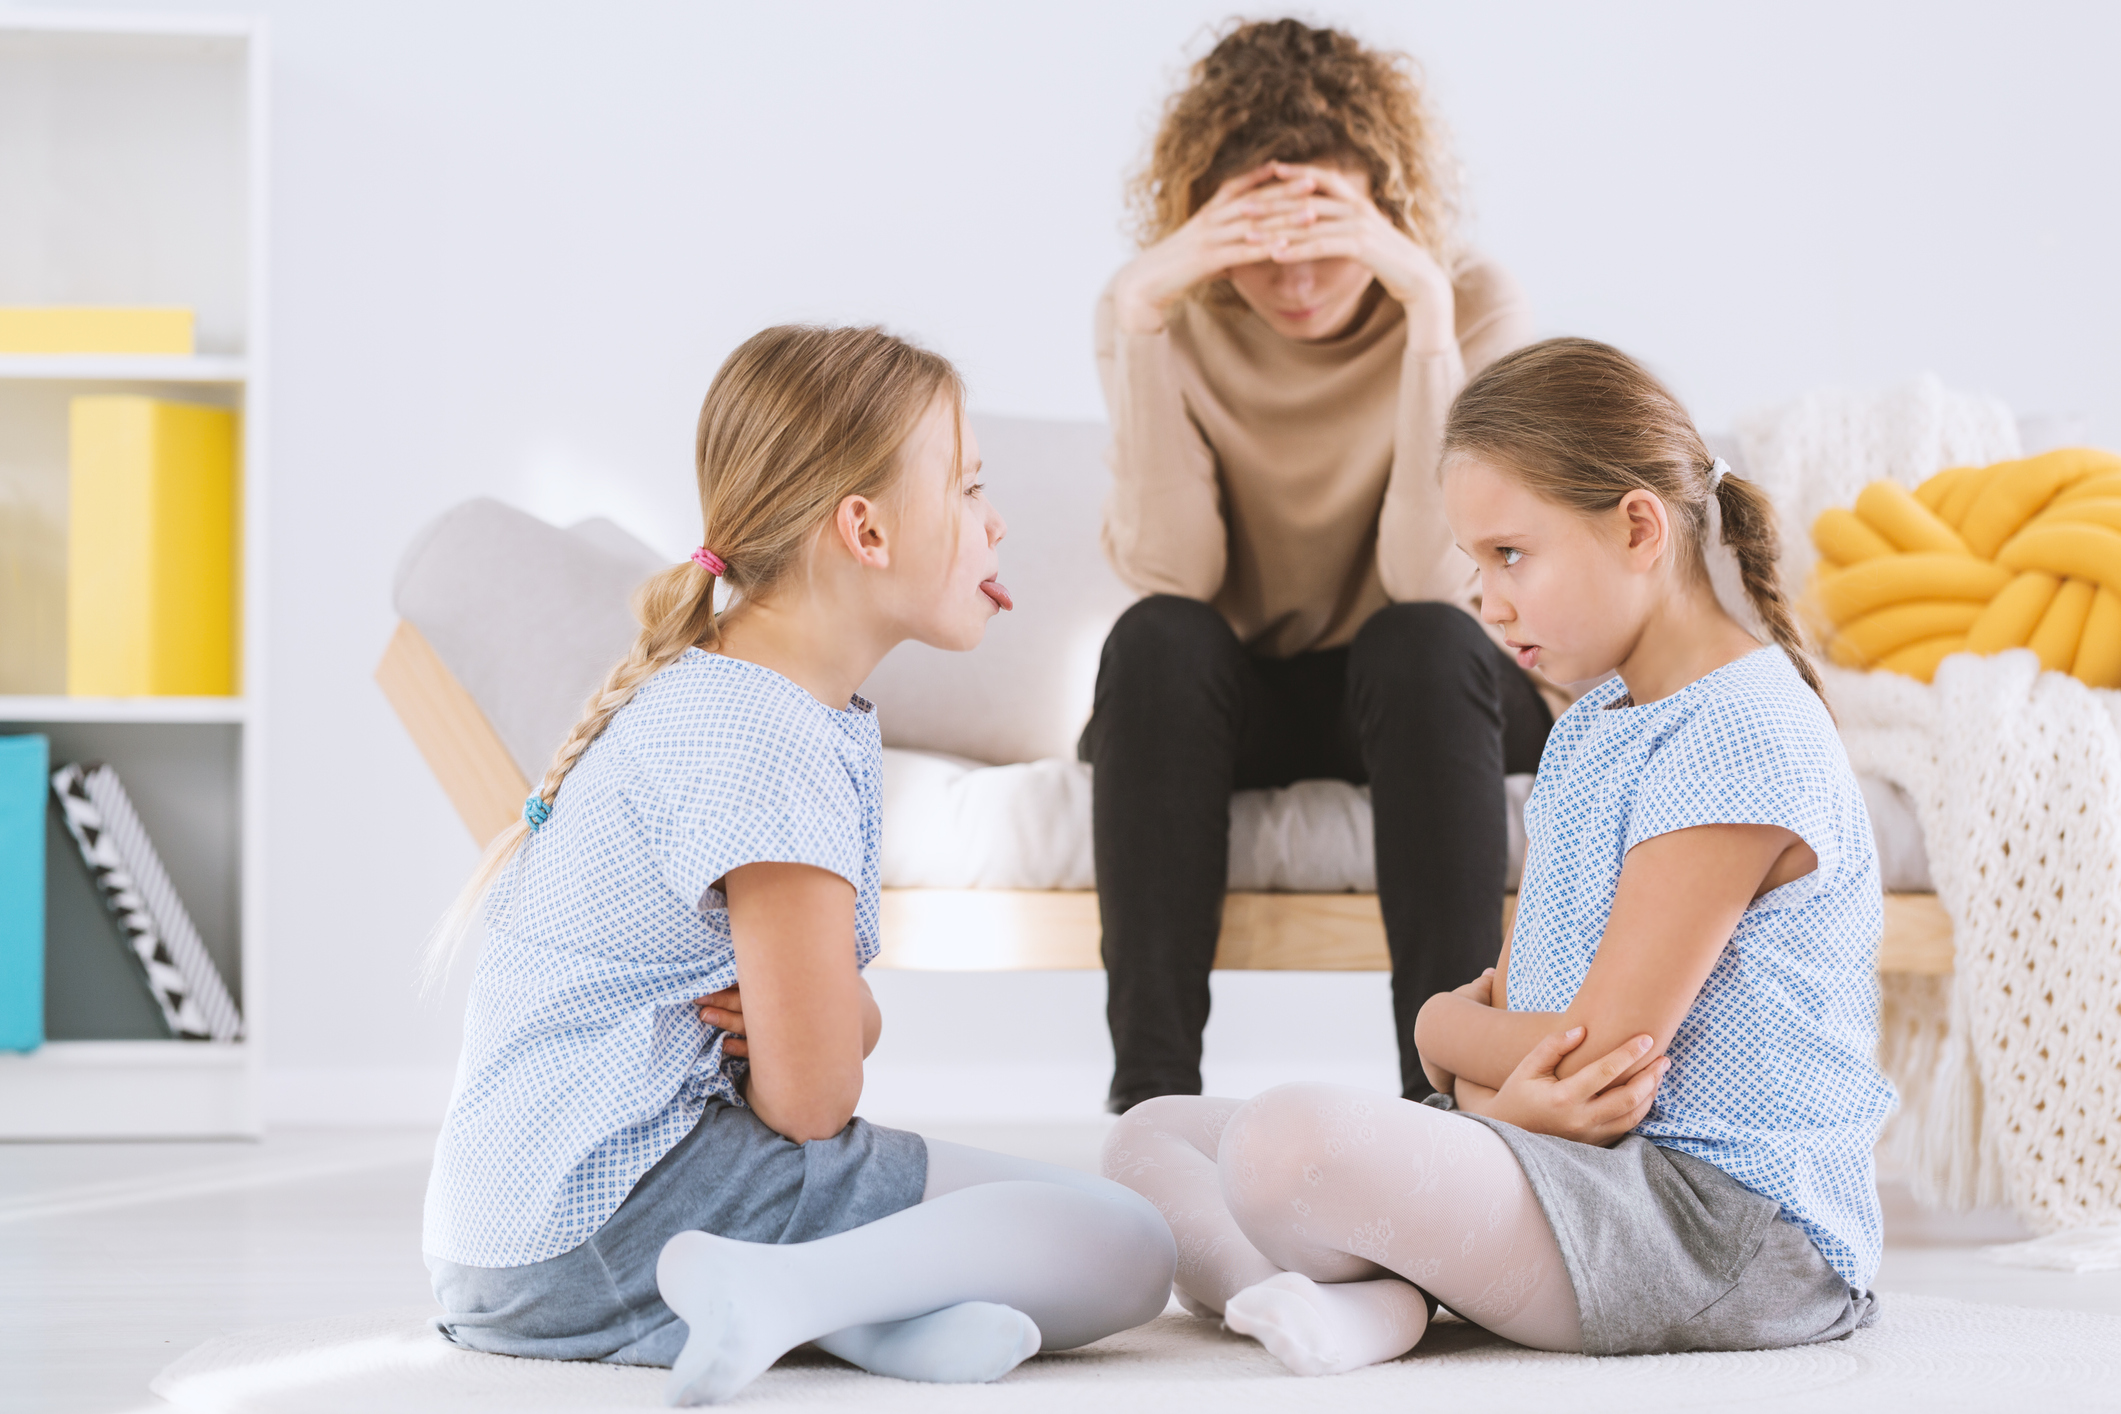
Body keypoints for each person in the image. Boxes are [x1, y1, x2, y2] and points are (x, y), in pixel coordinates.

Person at [1102, 337, 1893, 1374]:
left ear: (1639, 528)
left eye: (1510, 554)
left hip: (1716, 1225)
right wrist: (1498, 1097)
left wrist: (1439, 1027)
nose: (1487, 599)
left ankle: (1383, 1294)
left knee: (1282, 1146)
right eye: (1475, 563)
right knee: (1149, 1138)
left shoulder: (1740, 733)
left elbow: (1594, 1052)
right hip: (1570, 1164)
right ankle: (1369, 1302)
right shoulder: (1591, 727)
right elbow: (1534, 1021)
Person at [419, 325, 1174, 1406]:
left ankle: (840, 1312)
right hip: (622, 1214)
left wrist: (831, 1016)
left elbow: (813, 1049)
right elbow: (812, 1102)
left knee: (1025, 1243)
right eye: (968, 487)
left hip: (505, 1255)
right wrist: (838, 1019)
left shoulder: (726, 695)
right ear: (864, 530)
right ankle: (785, 1291)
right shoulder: (767, 737)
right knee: (1128, 1245)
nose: (996, 520)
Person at [1085, 17, 1544, 1111]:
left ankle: (1445, 1111)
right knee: (1154, 640)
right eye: (1258, 237)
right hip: (1247, 697)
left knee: (1419, 641)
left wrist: (1426, 319)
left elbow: (1433, 580)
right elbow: (1176, 573)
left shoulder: (1468, 303)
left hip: (1438, 689)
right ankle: (1153, 1108)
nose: (1292, 274)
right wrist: (1141, 317)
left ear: (1387, 204)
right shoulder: (1157, 314)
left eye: (1326, 230)